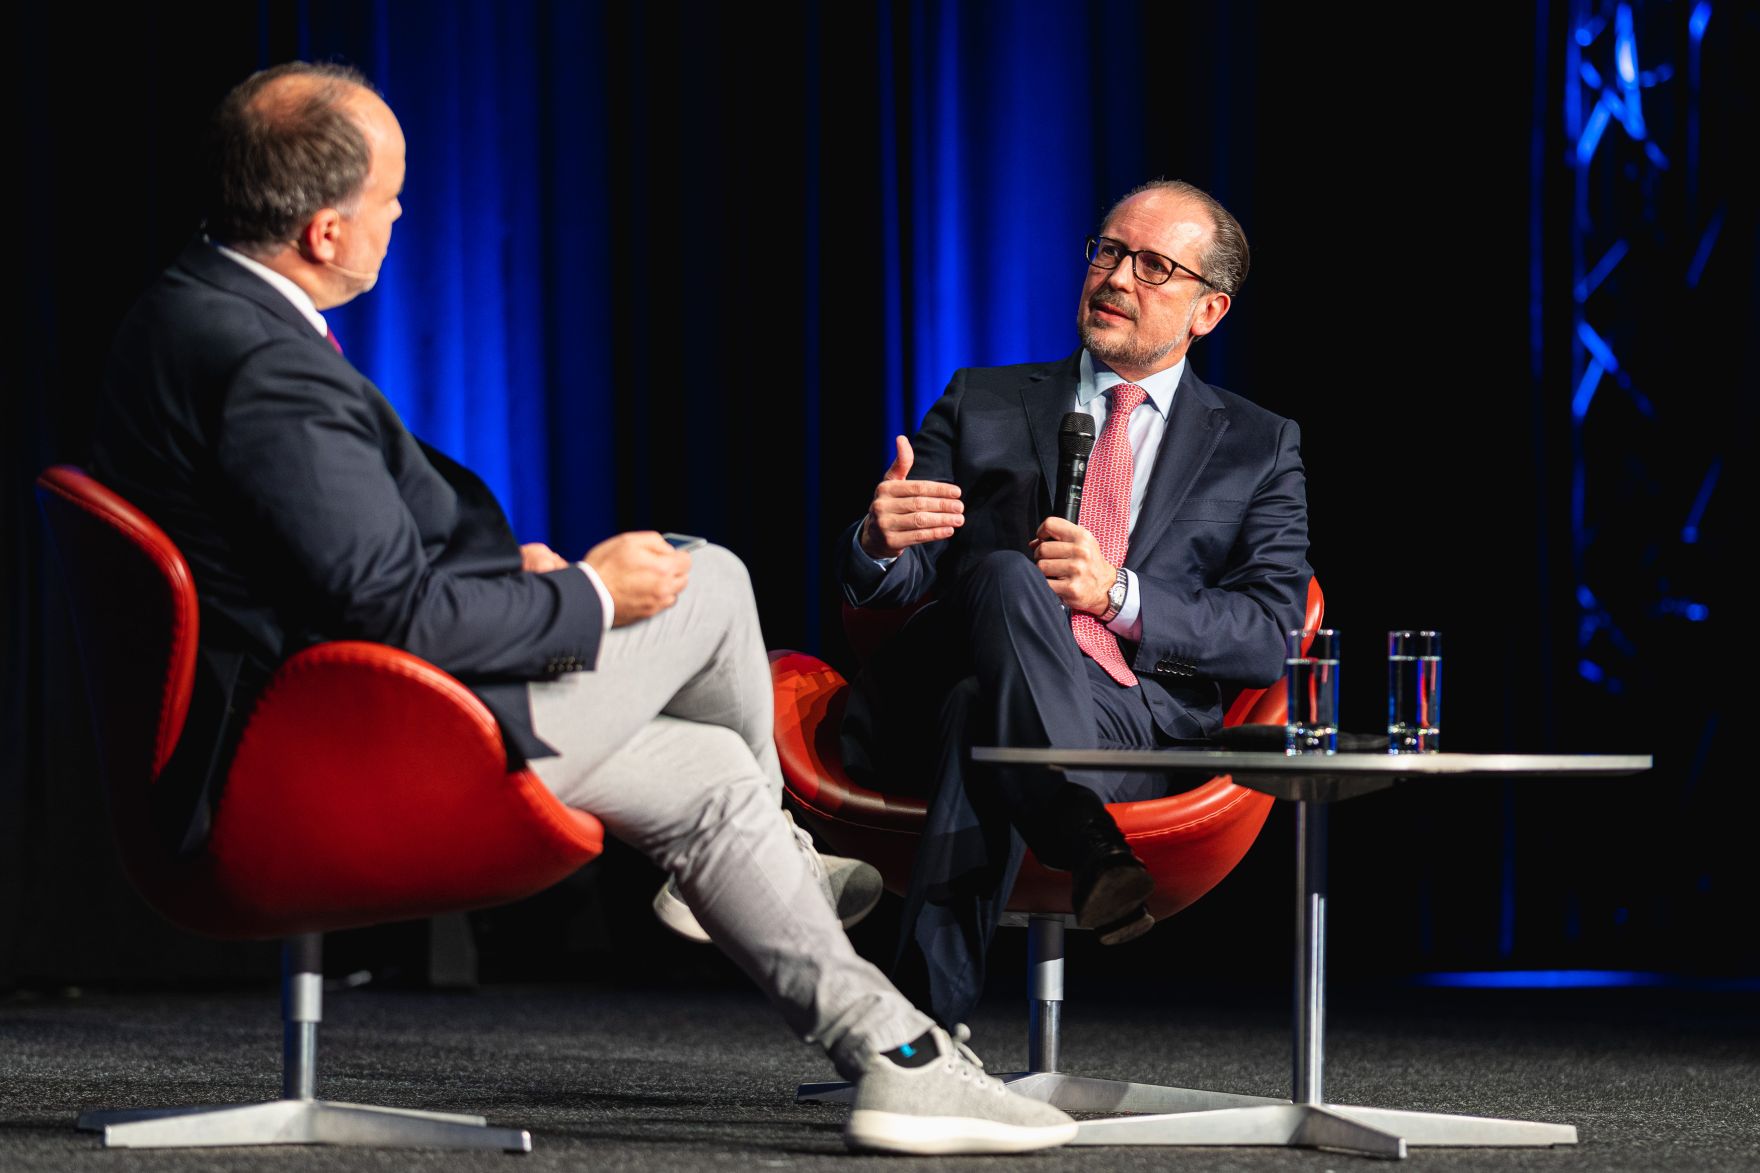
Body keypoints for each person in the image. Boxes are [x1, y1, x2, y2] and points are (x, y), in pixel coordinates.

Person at [90, 61, 1075, 1156]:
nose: (401, 217)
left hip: (333, 718)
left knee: (705, 779)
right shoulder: (263, 367)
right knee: (706, 579)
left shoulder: (183, 310)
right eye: (391, 198)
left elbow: (309, 568)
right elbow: (393, 623)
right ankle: (793, 859)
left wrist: (502, 578)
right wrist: (588, 595)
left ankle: (899, 1060)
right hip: (333, 758)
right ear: (323, 231)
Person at [837, 179, 1312, 1028]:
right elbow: (909, 584)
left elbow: (1270, 633)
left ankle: (918, 1041)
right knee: (1011, 581)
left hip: (1130, 719)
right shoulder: (982, 399)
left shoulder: (1259, 444)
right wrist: (880, 543)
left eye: (1155, 265)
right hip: (947, 675)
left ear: (1209, 310)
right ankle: (1075, 826)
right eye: (1108, 251)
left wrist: (1118, 596)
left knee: (979, 716)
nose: (1118, 277)